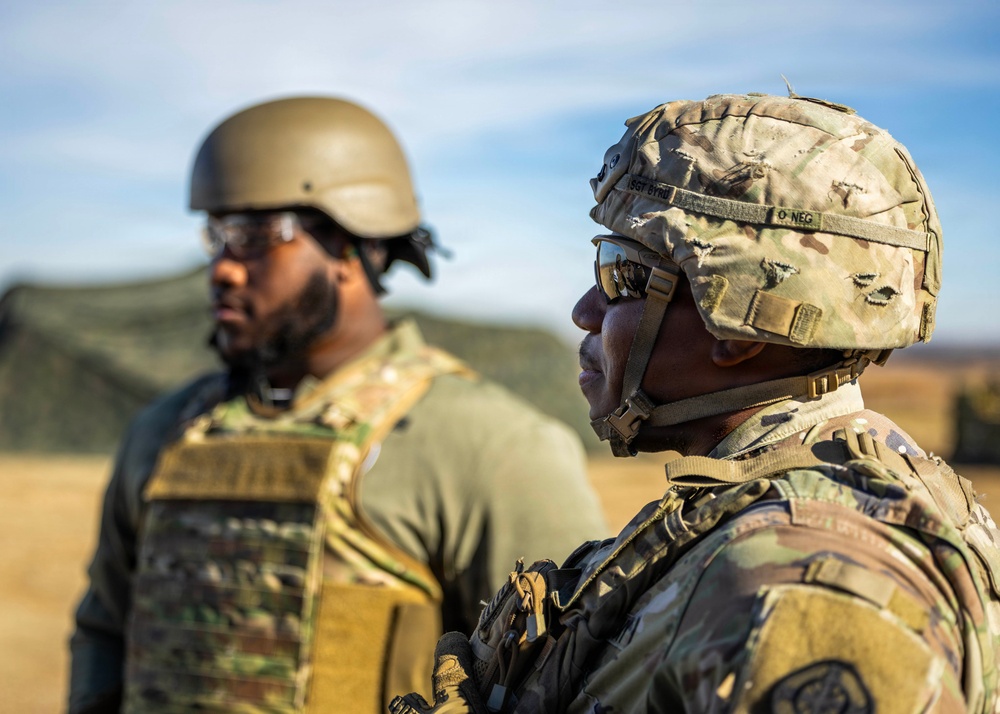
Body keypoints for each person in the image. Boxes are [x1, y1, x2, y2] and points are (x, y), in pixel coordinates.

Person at [390, 92, 1000, 713]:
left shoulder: (799, 586)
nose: (584, 312)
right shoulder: (753, 508)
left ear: (735, 324)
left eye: (621, 278)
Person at [67, 96, 607, 714]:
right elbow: (106, 629)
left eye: (254, 237)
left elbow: (568, 682)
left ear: (353, 244)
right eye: (216, 236)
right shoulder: (166, 434)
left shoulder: (489, 446)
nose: (221, 269)